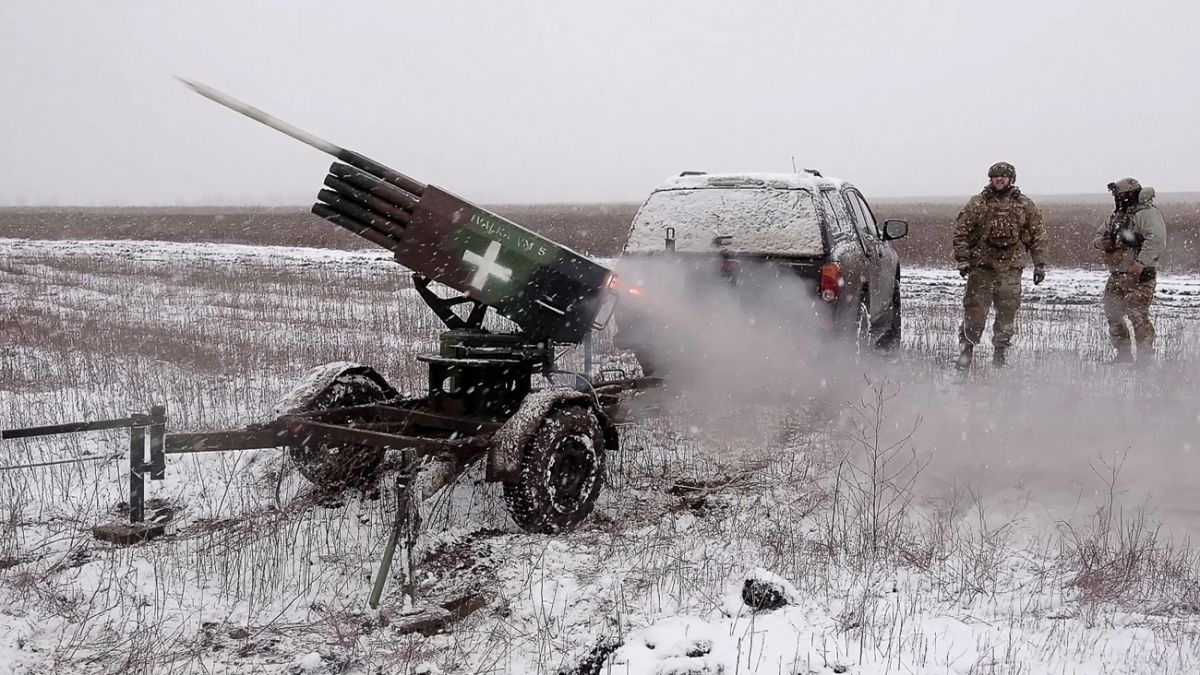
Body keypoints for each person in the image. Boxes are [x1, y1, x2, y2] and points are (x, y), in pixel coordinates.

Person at [951, 162, 1048, 370]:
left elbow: (1038, 236)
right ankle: (966, 351)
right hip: (981, 267)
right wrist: (963, 259)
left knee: (1007, 311)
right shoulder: (978, 203)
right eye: (996, 176)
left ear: (1011, 179)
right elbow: (961, 232)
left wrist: (1039, 264)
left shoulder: (1024, 205)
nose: (1000, 180)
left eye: (1004, 176)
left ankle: (1000, 354)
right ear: (991, 179)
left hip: (1010, 268)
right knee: (974, 311)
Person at [1093, 177, 1167, 364]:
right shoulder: (1116, 216)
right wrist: (1105, 242)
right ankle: (1123, 354)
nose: (1118, 199)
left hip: (1140, 275)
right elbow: (1098, 237)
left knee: (1137, 314)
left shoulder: (1147, 214)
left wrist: (1140, 263)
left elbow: (1156, 240)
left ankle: (1145, 358)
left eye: (1121, 196)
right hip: (1117, 274)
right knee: (1113, 313)